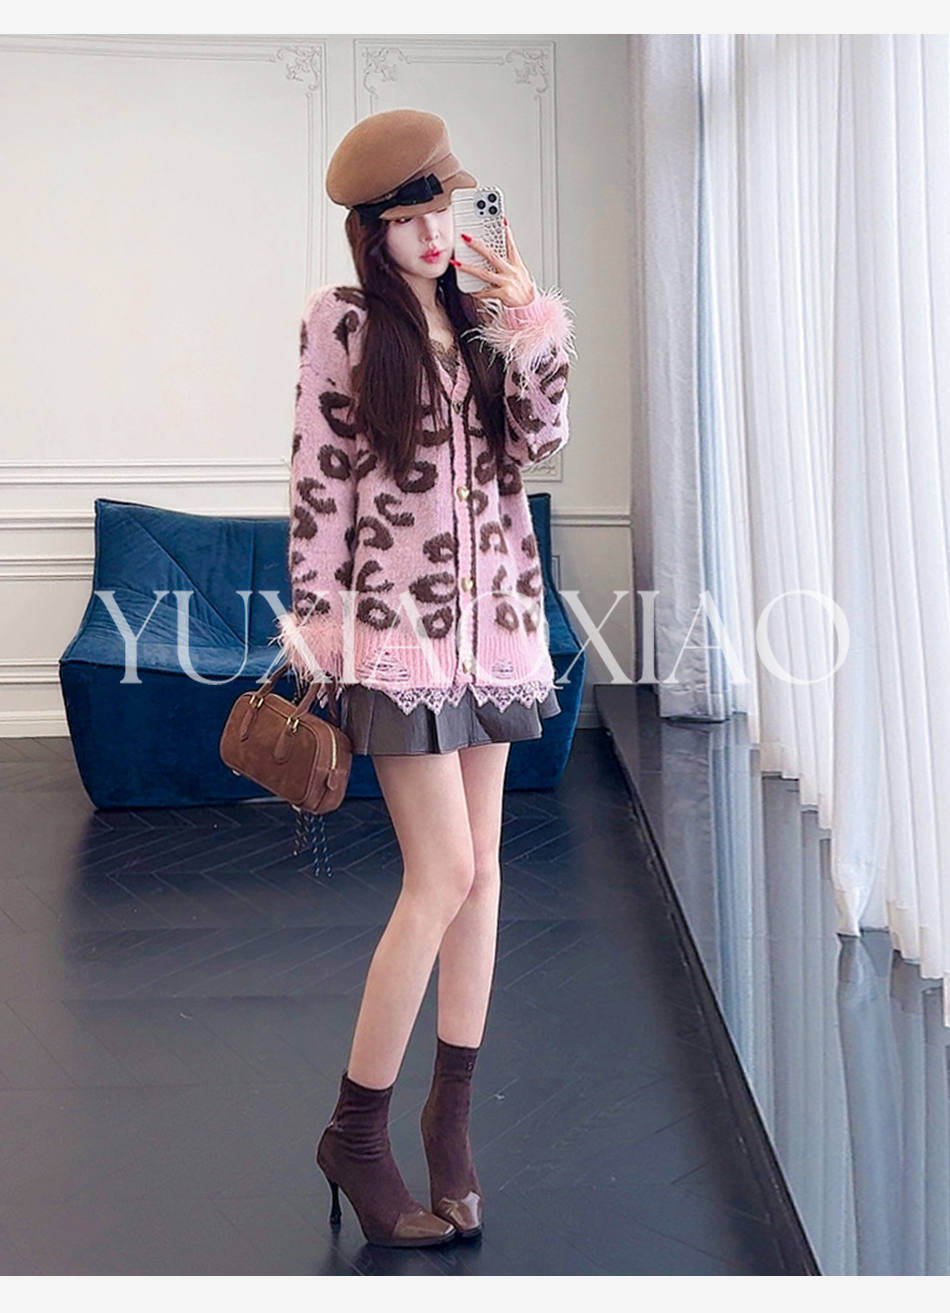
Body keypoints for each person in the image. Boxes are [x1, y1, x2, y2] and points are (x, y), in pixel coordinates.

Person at [278, 109, 573, 1248]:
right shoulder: (344, 323)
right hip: (397, 639)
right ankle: (356, 1130)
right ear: (374, 230)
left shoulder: (483, 323)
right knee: (439, 873)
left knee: (483, 873)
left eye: (443, 210)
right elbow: (318, 479)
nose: (434, 235)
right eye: (410, 219)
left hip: (495, 630)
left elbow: (539, 444)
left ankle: (449, 1122)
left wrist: (527, 323)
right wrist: (319, 618)